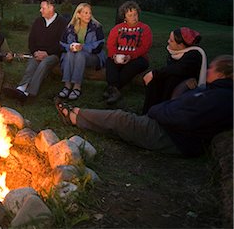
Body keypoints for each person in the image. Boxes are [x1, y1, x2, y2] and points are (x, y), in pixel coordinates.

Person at [55, 55, 233, 157]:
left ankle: (73, 115)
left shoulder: (220, 98)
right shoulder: (214, 92)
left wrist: (156, 111)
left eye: (211, 68)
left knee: (120, 119)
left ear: (222, 74)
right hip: (171, 129)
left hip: (173, 137)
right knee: (122, 122)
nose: (208, 70)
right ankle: (77, 114)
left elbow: (185, 117)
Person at [4, 0, 67, 103]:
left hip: (53, 54)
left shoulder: (62, 23)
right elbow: (31, 40)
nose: (40, 10)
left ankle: (30, 93)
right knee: (32, 63)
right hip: (37, 52)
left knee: (44, 64)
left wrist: (47, 53)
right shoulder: (38, 21)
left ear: (51, 8)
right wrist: (35, 52)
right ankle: (21, 88)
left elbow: (61, 44)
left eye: (43, 8)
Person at [142, 27, 207, 114]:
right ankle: (148, 113)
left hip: (186, 88)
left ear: (180, 45)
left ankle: (163, 111)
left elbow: (179, 69)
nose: (168, 41)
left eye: (171, 40)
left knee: (171, 79)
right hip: (174, 82)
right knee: (155, 81)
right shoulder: (176, 52)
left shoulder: (194, 55)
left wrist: (154, 73)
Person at [105, 1, 152, 104]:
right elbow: (110, 44)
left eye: (135, 14)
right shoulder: (117, 28)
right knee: (109, 62)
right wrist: (114, 56)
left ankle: (113, 88)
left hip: (138, 57)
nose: (134, 17)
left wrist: (130, 56)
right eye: (130, 15)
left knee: (133, 65)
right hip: (119, 56)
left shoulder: (145, 29)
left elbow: (145, 47)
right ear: (124, 16)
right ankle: (114, 90)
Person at [58, 3, 105, 100]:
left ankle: (76, 86)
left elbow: (99, 46)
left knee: (80, 54)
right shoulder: (70, 28)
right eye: (86, 13)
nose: (88, 15)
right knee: (70, 53)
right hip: (72, 56)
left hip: (93, 56)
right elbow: (61, 44)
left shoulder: (96, 27)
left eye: (90, 13)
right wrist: (70, 47)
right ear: (78, 14)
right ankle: (67, 85)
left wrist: (83, 47)